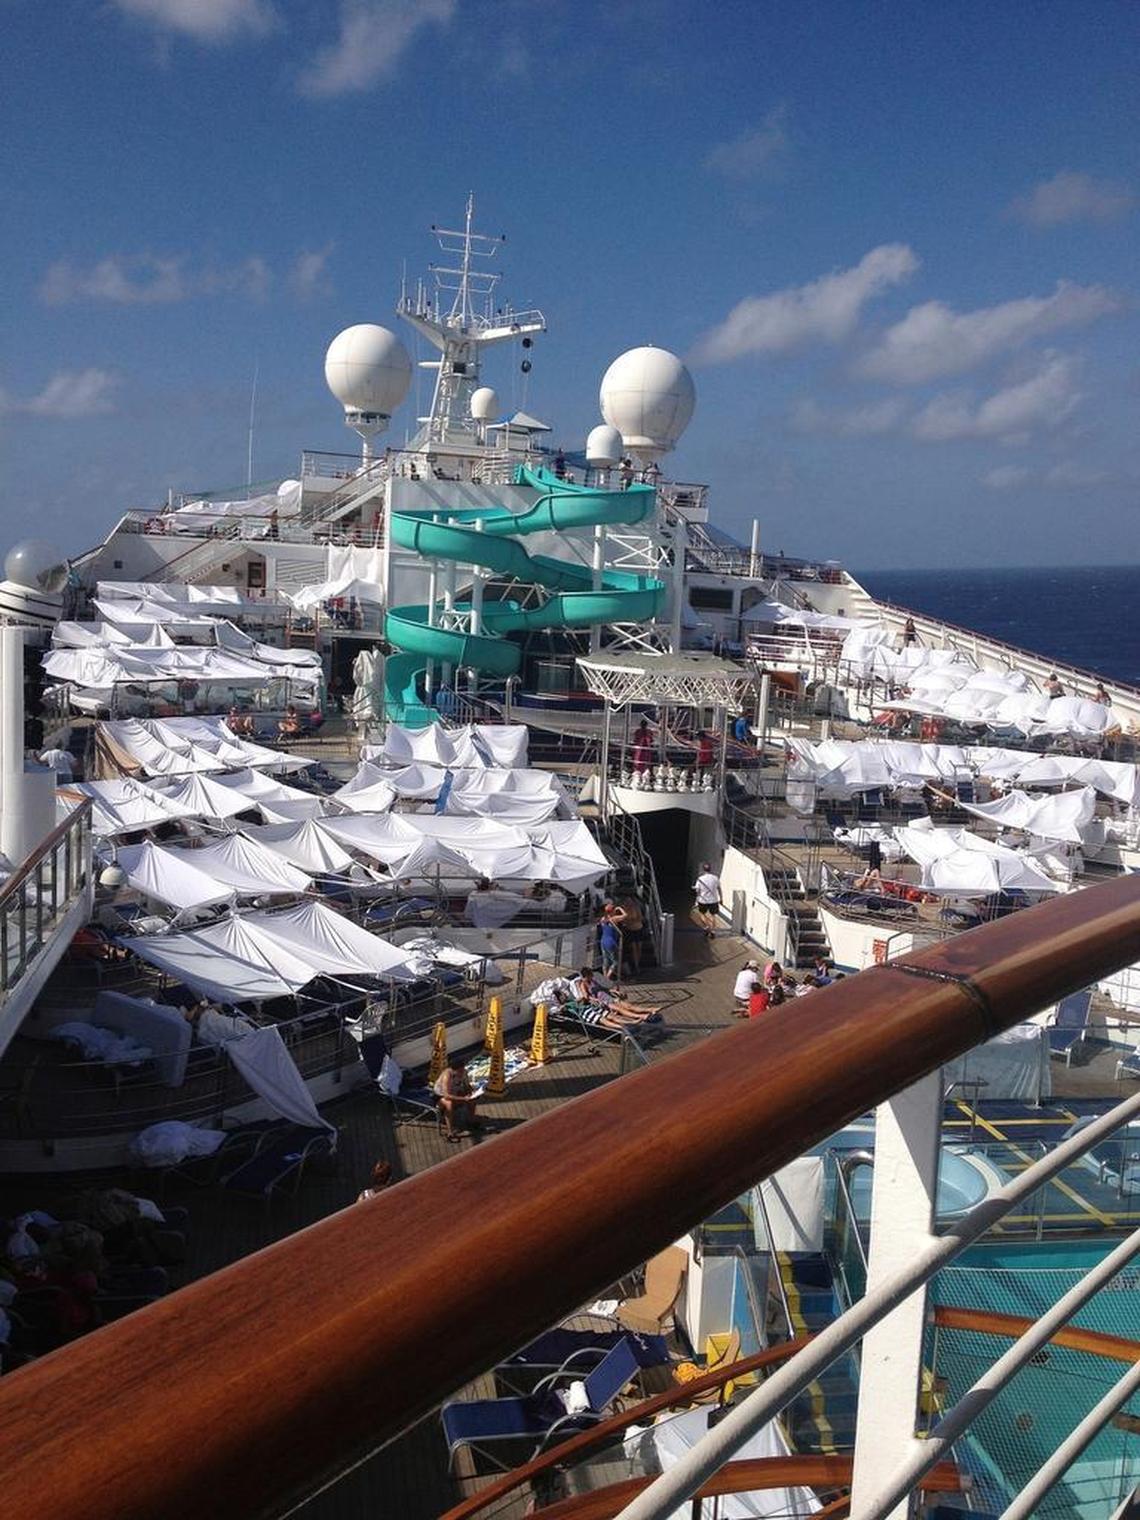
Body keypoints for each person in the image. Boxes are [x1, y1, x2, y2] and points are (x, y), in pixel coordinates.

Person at [433, 1056, 478, 1141]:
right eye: (459, 1071)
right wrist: (463, 1099)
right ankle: (450, 1132)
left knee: (472, 1100)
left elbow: (467, 1085)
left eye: (462, 1070)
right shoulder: (447, 1076)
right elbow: (446, 1095)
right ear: (454, 1070)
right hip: (441, 1096)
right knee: (449, 1104)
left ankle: (471, 1121)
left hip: (456, 1092)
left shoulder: (464, 1072)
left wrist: (471, 1092)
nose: (461, 1073)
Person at [692, 861, 721, 940]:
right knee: (713, 916)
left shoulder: (700, 879)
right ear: (710, 869)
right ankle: (713, 931)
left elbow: (697, 890)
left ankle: (706, 927)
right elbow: (719, 888)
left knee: (702, 914)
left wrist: (696, 900)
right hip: (713, 900)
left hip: (703, 900)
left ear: (703, 870)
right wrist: (721, 898)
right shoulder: (715, 878)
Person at [618, 894, 646, 976]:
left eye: (630, 901)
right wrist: (632, 921)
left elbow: (640, 918)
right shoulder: (624, 909)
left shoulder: (636, 908)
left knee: (639, 947)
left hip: (638, 929)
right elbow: (624, 921)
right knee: (634, 948)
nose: (629, 903)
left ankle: (638, 963)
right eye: (627, 901)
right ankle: (636, 966)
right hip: (630, 930)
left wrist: (631, 921)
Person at [598, 901, 625, 978]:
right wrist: (620, 909)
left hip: (603, 940)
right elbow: (625, 915)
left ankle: (604, 977)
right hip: (611, 941)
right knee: (615, 962)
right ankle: (607, 977)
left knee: (605, 960)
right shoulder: (614, 919)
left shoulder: (603, 919)